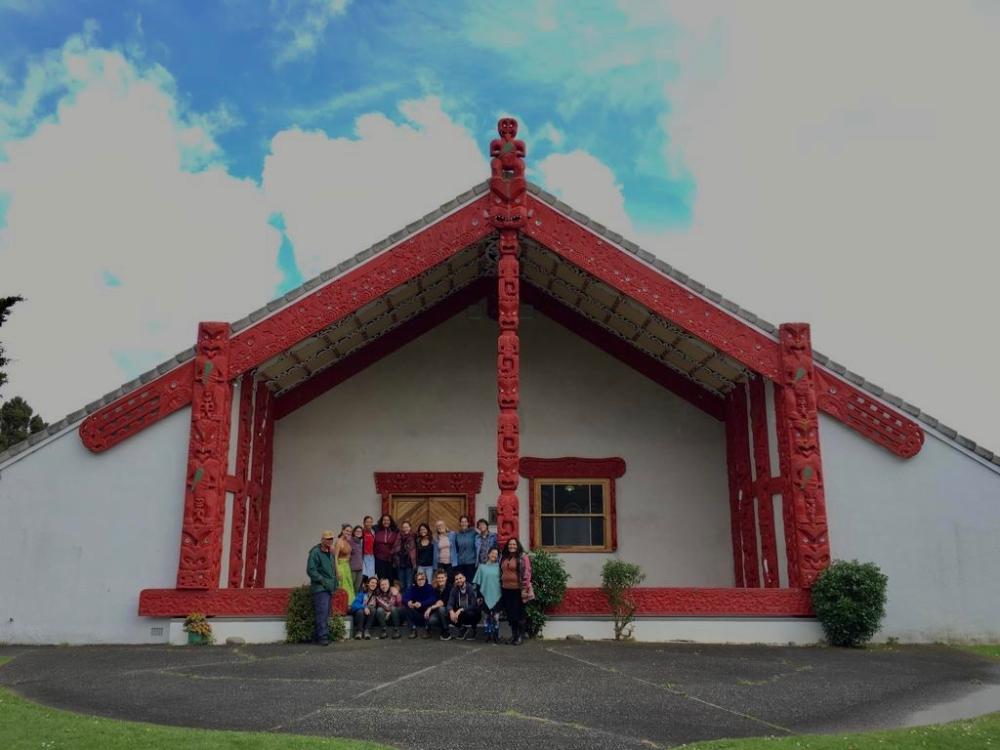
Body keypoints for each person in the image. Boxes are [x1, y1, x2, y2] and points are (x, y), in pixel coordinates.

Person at [499, 537, 534, 645]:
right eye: (510, 544)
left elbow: (527, 574)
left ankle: (520, 636)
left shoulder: (523, 557)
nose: (512, 546)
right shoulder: (504, 557)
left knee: (519, 614)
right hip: (506, 589)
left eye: (514, 544)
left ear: (518, 546)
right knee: (510, 614)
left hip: (518, 590)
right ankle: (514, 635)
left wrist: (524, 589)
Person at [306, 530, 338, 646]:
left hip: (328, 587)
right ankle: (322, 637)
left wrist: (334, 583)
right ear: (322, 540)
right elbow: (311, 570)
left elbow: (332, 570)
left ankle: (319, 635)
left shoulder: (330, 552)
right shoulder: (315, 552)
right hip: (320, 588)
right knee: (322, 613)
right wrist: (323, 581)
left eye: (331, 539)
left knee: (325, 613)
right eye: (328, 539)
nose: (330, 541)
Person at [473, 546, 502, 644]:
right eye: (492, 553)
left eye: (496, 554)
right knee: (486, 616)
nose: (494, 555)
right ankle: (487, 634)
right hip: (484, 595)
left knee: (496, 617)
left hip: (498, 595)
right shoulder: (482, 567)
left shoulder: (500, 567)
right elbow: (478, 583)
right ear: (488, 554)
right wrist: (479, 596)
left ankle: (496, 635)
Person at [444, 571, 481, 641]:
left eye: (460, 578)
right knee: (447, 614)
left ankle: (473, 630)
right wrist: (451, 612)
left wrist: (461, 610)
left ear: (464, 578)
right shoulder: (454, 589)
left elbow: (473, 605)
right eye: (456, 579)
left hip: (472, 612)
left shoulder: (470, 588)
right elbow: (450, 603)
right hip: (461, 613)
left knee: (471, 613)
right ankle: (462, 629)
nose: (458, 580)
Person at [401, 570, 437, 638]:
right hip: (417, 614)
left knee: (429, 606)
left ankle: (427, 630)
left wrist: (421, 604)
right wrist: (408, 602)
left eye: (422, 579)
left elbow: (433, 598)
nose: (420, 581)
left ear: (425, 579)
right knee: (406, 607)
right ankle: (413, 629)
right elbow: (404, 597)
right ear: (416, 581)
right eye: (419, 579)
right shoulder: (413, 588)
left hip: (427, 614)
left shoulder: (429, 587)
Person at [423, 568, 452, 639]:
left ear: (446, 578)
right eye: (438, 578)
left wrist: (431, 607)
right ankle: (438, 628)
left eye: (442, 577)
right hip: (439, 613)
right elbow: (434, 601)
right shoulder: (435, 589)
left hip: (449, 612)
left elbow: (442, 603)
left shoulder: (450, 588)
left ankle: (446, 630)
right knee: (431, 620)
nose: (440, 579)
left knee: (441, 609)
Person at [374, 514, 400, 583]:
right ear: (381, 521)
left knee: (390, 579)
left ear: (390, 521)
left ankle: (389, 593)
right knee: (380, 578)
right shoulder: (376, 531)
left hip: (390, 560)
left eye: (388, 520)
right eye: (384, 520)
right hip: (379, 559)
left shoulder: (395, 532)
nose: (386, 522)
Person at [334, 524, 355, 603]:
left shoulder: (347, 541)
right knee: (343, 586)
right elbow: (335, 557)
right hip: (341, 566)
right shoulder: (339, 542)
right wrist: (337, 571)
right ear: (342, 530)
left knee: (349, 586)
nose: (348, 532)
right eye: (347, 530)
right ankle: (342, 605)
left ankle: (349, 604)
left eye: (350, 531)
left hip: (347, 566)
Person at [453, 515, 478, 584]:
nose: (464, 523)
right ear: (460, 523)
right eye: (462, 522)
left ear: (468, 523)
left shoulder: (474, 533)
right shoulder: (457, 534)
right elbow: (456, 547)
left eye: (465, 522)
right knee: (461, 582)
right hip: (460, 563)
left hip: (471, 562)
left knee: (470, 582)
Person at [396, 521, 417, 592]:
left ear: (410, 528)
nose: (405, 529)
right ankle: (403, 600)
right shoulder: (398, 537)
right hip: (400, 563)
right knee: (402, 584)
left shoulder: (414, 536)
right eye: (404, 527)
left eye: (407, 527)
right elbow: (395, 548)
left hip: (409, 564)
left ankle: (408, 600)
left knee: (409, 584)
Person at [349, 525, 364, 593]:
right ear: (354, 532)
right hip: (352, 568)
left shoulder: (360, 542)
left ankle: (355, 601)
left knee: (357, 587)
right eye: (357, 531)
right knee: (351, 586)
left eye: (360, 531)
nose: (359, 532)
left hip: (360, 568)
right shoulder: (350, 541)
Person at [361, 515, 376, 581]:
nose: (369, 524)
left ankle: (370, 589)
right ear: (364, 523)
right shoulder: (361, 532)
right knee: (364, 574)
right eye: (367, 522)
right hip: (363, 556)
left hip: (372, 556)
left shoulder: (373, 532)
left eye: (370, 522)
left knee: (371, 575)